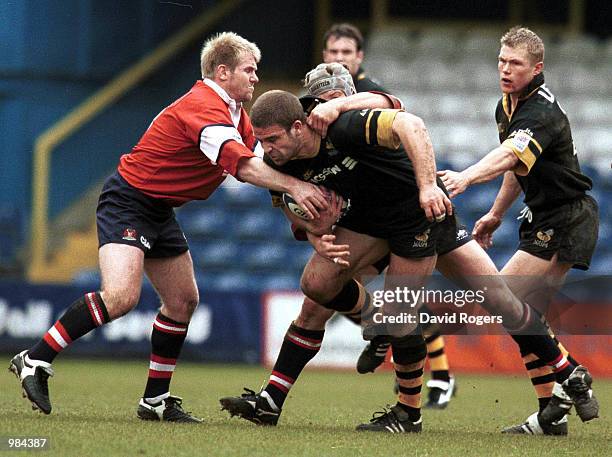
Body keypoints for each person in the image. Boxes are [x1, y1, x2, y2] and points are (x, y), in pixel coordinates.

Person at [220, 67, 592, 433]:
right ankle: (277, 396)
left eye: (272, 141)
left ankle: (565, 371)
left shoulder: (345, 121)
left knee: (493, 299)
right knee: (316, 285)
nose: (266, 149)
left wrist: (429, 186)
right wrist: (315, 232)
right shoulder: (280, 152)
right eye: (263, 142)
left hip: (420, 212)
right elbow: (286, 197)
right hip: (369, 219)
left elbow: (409, 122)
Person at [8, 32, 330, 423]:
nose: (255, 78)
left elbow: (266, 167)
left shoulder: (237, 117)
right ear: (223, 71)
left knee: (182, 301)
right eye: (249, 70)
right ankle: (35, 359)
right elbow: (245, 167)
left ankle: (155, 401)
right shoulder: (202, 107)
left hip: (159, 209)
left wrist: (303, 214)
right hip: (128, 200)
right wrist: (298, 186)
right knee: (121, 296)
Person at [438, 26, 600, 435]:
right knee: (525, 319)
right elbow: (519, 165)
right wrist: (494, 213)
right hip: (543, 217)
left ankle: (571, 377)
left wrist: (468, 178)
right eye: (501, 61)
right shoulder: (507, 106)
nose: (505, 69)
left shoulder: (540, 111)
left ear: (537, 68)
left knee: (506, 301)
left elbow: (511, 152)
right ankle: (555, 407)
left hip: (567, 217)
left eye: (515, 64)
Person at [321, 22, 458, 406]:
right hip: (366, 213)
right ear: (324, 55)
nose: (339, 59)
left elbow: (403, 119)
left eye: (346, 53)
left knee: (398, 300)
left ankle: (440, 376)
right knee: (346, 291)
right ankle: (390, 340)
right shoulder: (321, 99)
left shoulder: (367, 95)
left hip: (397, 210)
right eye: (333, 53)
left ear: (359, 57)